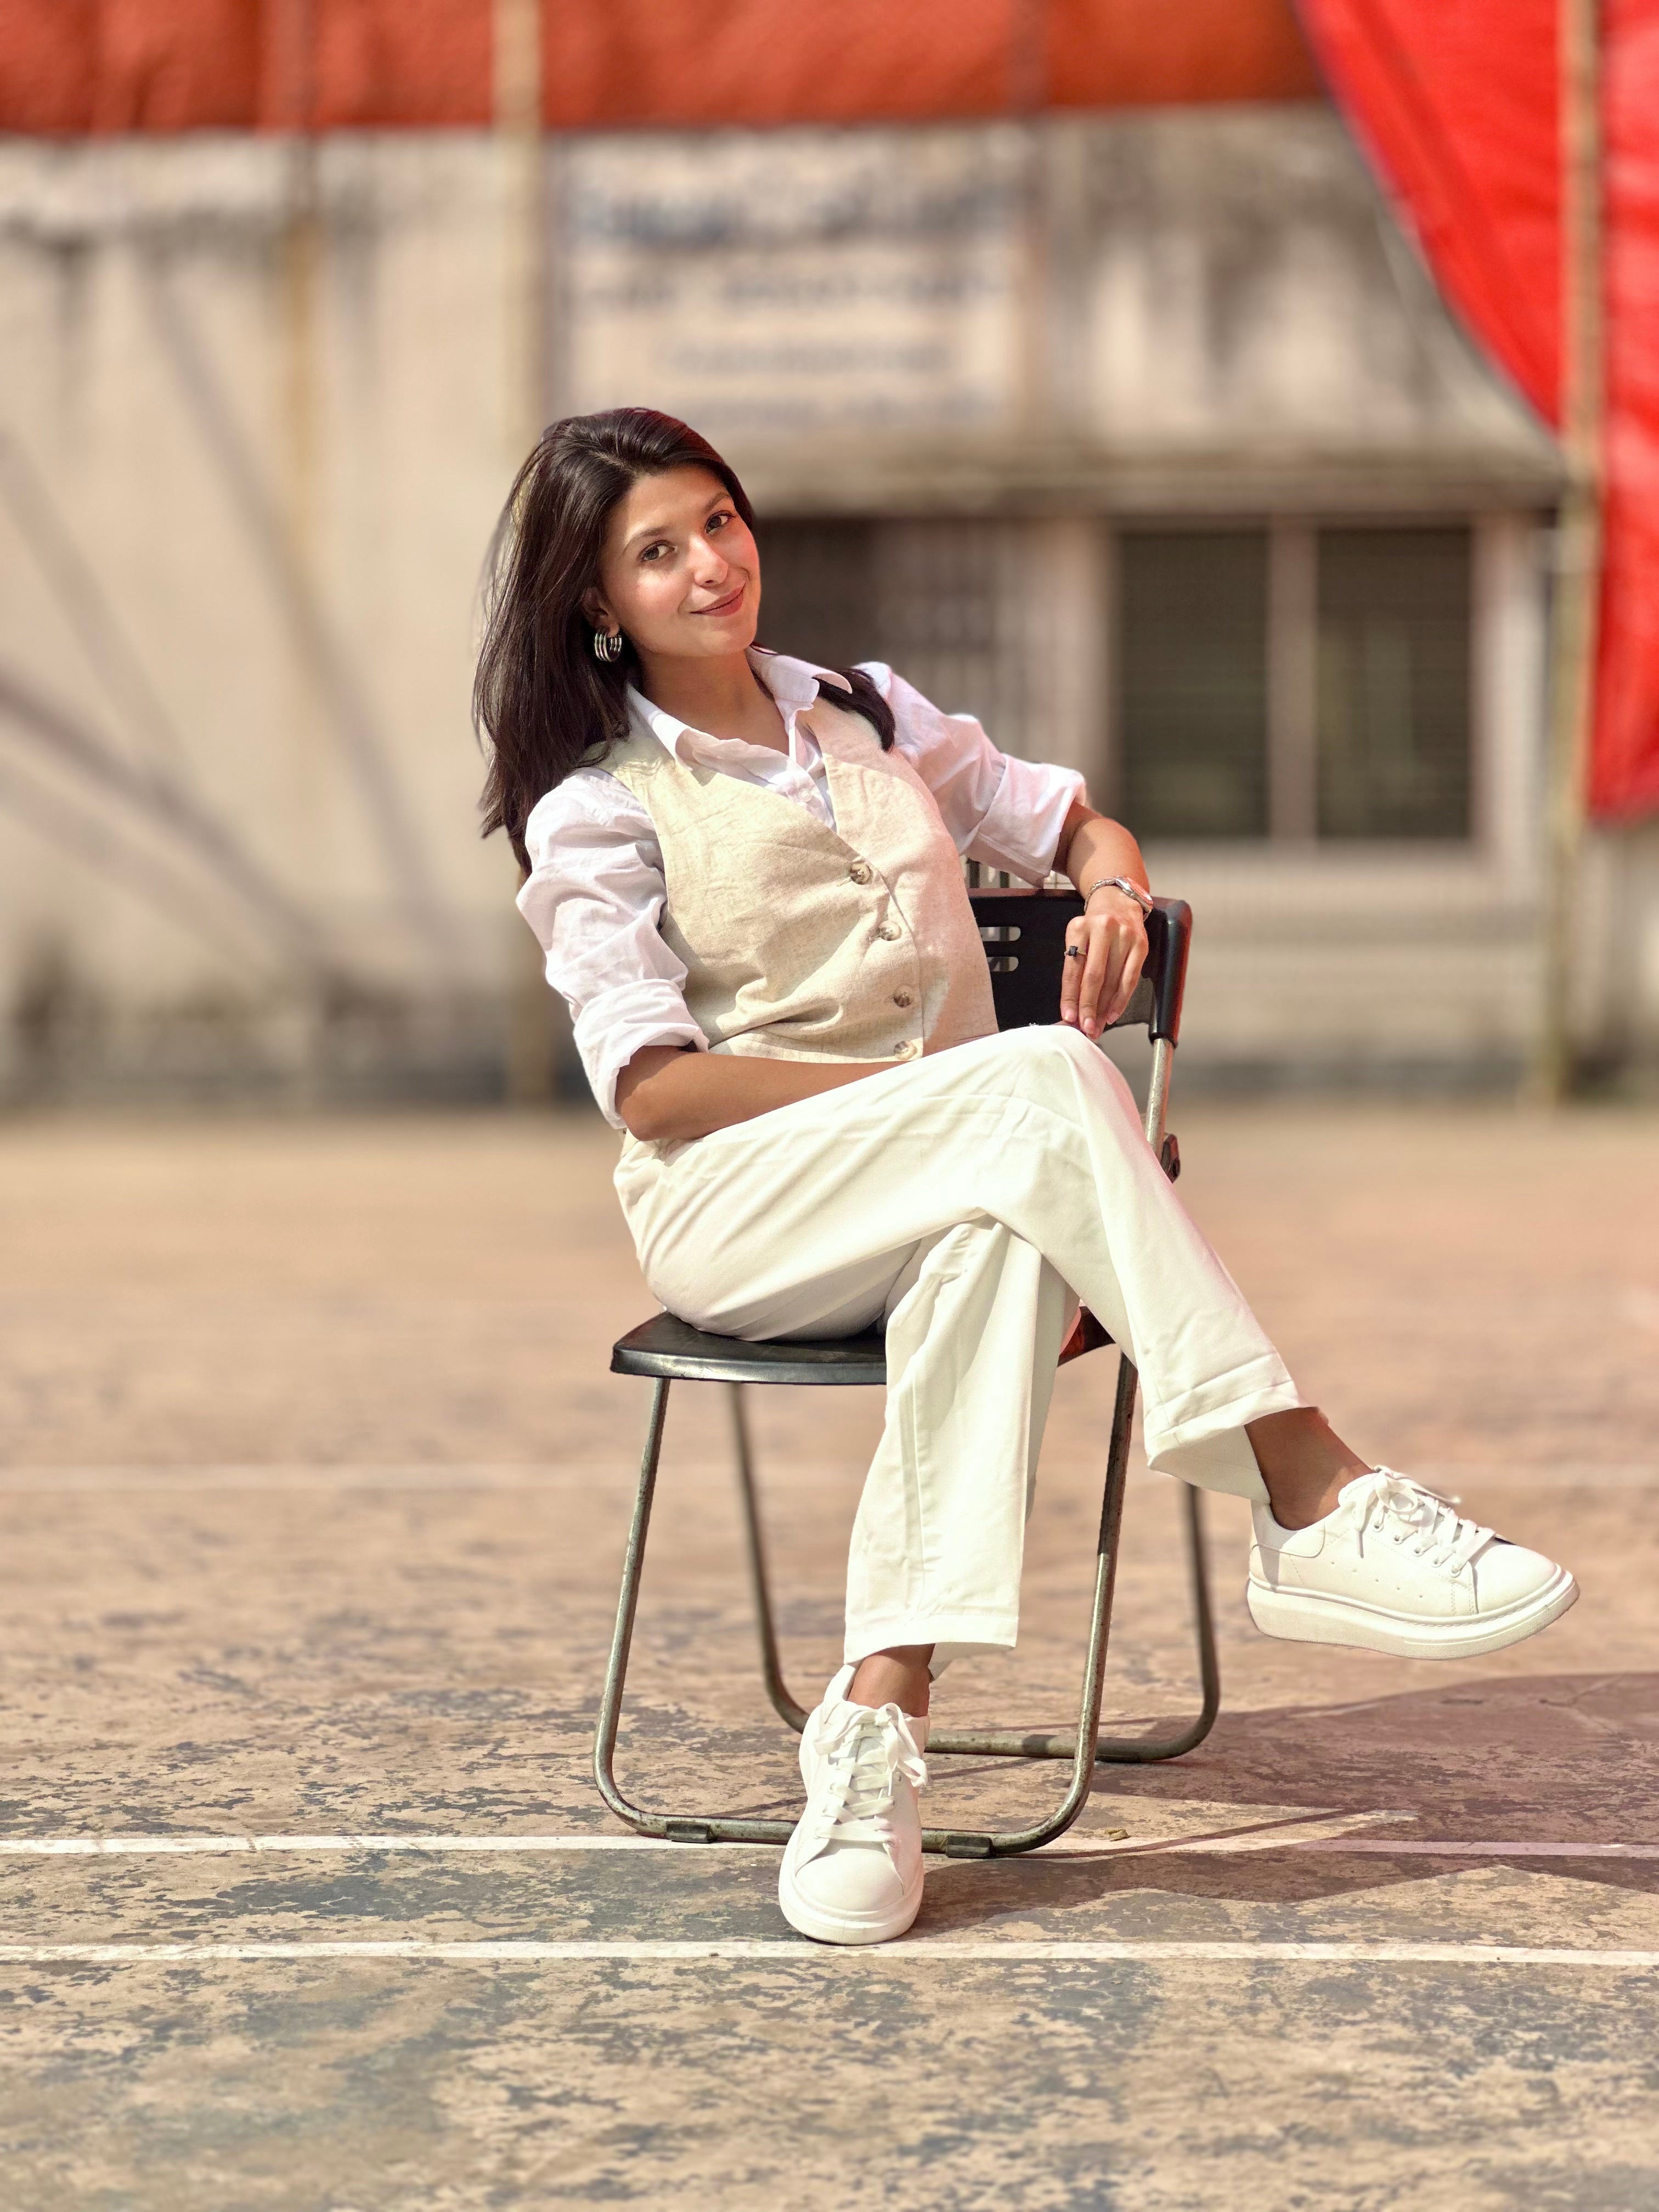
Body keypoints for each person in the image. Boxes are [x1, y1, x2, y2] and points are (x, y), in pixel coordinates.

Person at [475, 407, 1577, 1949]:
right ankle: (1305, 1488)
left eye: (719, 521)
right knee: (1048, 1086)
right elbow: (653, 1090)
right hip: (739, 1206)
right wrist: (945, 1095)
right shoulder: (593, 808)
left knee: (999, 1232)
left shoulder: (861, 713)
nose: (711, 565)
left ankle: (876, 1738)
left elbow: (1067, 817)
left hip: (950, 1187)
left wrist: (1113, 884)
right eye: (658, 553)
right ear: (600, 603)